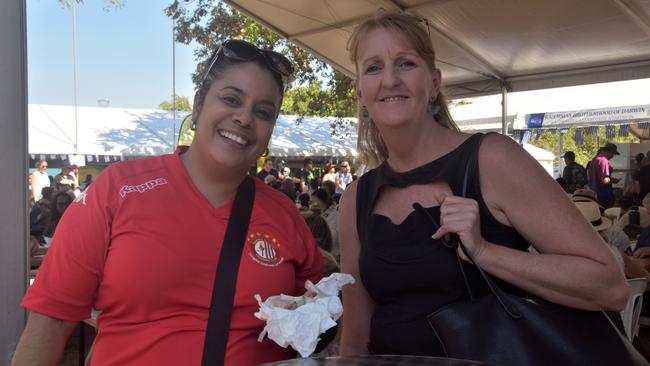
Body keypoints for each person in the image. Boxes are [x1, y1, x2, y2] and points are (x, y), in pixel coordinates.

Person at [12, 39, 323, 366]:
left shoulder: (284, 214)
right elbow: (52, 320)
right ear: (199, 103)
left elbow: (310, 324)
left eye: (263, 112)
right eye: (231, 99)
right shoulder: (118, 189)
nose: (244, 118)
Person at [338, 11, 627, 358]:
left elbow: (609, 286)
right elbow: (355, 338)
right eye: (373, 67)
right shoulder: (356, 198)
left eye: (405, 63)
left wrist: (485, 252)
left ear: (434, 82)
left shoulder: (492, 159)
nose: (389, 80)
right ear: (359, 91)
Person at [588, 142, 620, 208]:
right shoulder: (604, 161)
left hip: (594, 194)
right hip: (604, 195)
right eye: (613, 154)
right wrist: (614, 180)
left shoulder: (594, 160)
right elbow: (604, 180)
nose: (612, 156)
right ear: (609, 152)